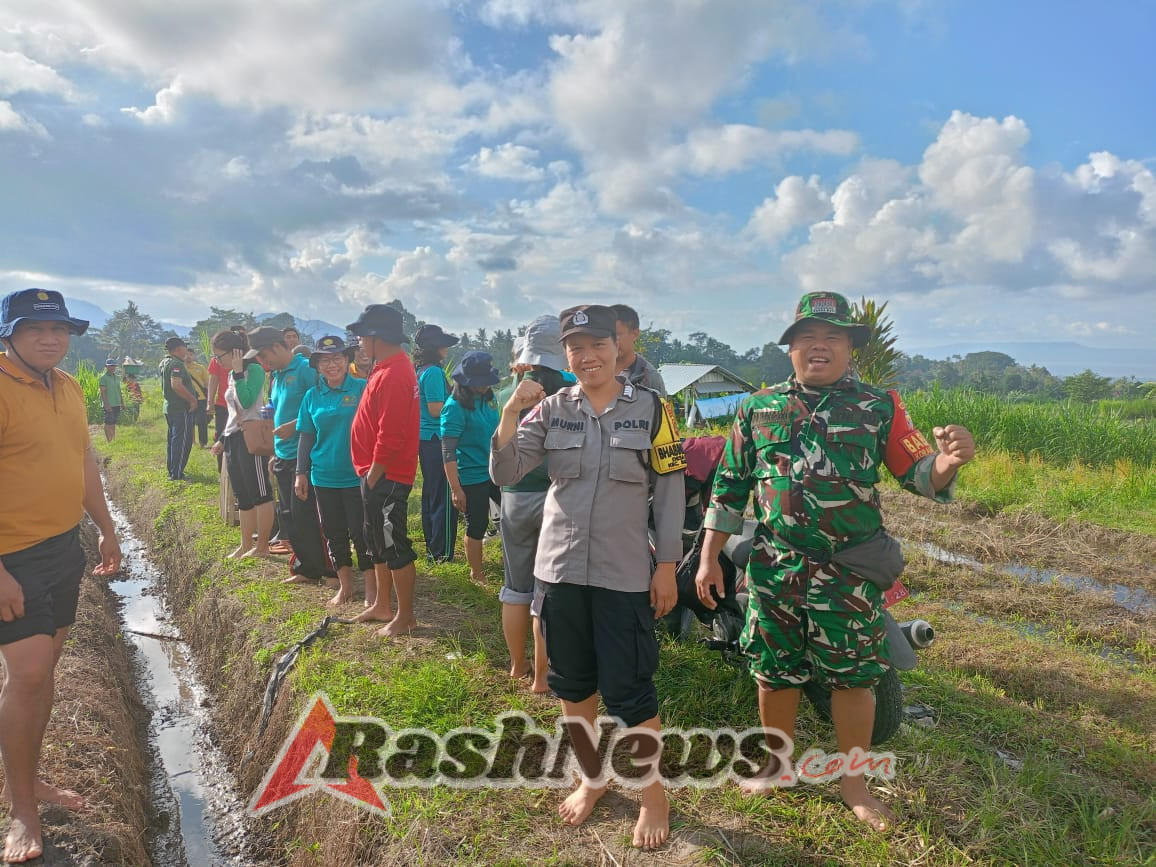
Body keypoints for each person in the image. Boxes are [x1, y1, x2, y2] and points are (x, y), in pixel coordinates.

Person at [695, 291, 976, 831]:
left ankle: (855, 784)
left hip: (846, 571)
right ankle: (778, 766)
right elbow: (729, 489)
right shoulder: (758, 407)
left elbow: (918, 473)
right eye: (807, 338)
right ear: (791, 349)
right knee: (774, 672)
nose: (818, 347)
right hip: (775, 565)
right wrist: (709, 558)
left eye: (832, 338)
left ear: (850, 348)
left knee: (855, 678)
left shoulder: (880, 407)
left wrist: (944, 462)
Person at [491, 304, 685, 850]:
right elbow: (506, 472)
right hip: (558, 570)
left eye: (597, 344)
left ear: (617, 347)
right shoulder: (550, 409)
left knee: (630, 688)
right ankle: (592, 777)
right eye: (574, 348)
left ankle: (652, 795)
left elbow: (670, 493)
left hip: (623, 572)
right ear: (565, 355)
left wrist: (666, 566)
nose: (586, 356)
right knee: (572, 685)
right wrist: (509, 415)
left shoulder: (654, 410)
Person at [0, 288, 122, 864]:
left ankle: (31, 779)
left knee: (45, 671)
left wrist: (106, 526)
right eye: (35, 329)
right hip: (10, 558)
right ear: (9, 333)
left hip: (61, 548)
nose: (50, 338)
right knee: (27, 676)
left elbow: (82, 463)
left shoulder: (68, 386)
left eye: (59, 329)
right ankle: (22, 809)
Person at [495, 316, 570, 693]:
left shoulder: (509, 391)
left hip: (513, 496)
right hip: (555, 497)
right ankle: (543, 678)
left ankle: (516, 665)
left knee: (516, 587)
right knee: (547, 589)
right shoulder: (569, 388)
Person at [347, 305, 421, 637]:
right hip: (373, 473)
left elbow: (391, 433)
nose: (360, 342)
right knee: (375, 539)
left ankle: (405, 616)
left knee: (394, 543)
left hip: (386, 476)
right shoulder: (384, 366)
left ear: (378, 338)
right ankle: (382, 604)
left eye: (363, 336)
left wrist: (374, 474)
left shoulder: (395, 373)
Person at [246, 326, 330, 583]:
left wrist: (295, 425)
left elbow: (323, 403)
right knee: (291, 517)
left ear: (277, 346)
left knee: (310, 515)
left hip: (305, 454)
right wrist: (273, 448)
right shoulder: (278, 375)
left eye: (262, 355)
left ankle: (329, 569)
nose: (262, 362)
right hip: (283, 454)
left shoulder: (305, 369)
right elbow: (276, 407)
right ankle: (306, 567)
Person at [295, 336, 372, 607]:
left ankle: (372, 589)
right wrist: (300, 472)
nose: (332, 364)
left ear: (347, 360)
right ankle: (346, 586)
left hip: (357, 475)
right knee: (334, 532)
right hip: (323, 476)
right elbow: (306, 435)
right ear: (316, 365)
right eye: (325, 360)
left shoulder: (363, 388)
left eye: (337, 358)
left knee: (363, 532)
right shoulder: (312, 396)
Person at [209, 329, 274, 559]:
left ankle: (263, 545)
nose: (218, 361)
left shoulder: (254, 370)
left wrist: (238, 374)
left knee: (260, 491)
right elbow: (232, 412)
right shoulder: (231, 375)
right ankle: (246, 544)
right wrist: (223, 439)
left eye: (220, 356)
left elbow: (246, 402)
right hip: (235, 436)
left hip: (252, 436)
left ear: (236, 352)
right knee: (242, 495)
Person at [440, 351, 500, 582]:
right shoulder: (454, 407)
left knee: (511, 516)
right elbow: (448, 451)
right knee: (477, 523)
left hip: (496, 469)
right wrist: (456, 489)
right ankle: (476, 572)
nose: (484, 386)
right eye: (479, 383)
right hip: (471, 474)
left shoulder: (489, 399)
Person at [414, 324, 460, 562]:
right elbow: (435, 409)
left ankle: (434, 548)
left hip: (426, 440)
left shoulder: (420, 370)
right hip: (436, 439)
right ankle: (441, 552)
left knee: (431, 494)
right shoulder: (432, 373)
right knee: (443, 495)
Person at [159, 336, 197, 481]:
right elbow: (176, 385)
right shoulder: (176, 364)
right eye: (184, 348)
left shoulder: (164, 362)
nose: (186, 351)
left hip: (170, 408)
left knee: (173, 441)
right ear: (178, 349)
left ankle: (173, 470)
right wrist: (192, 400)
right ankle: (177, 474)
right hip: (181, 408)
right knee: (182, 442)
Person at [611, 304, 666, 395]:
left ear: (635, 334)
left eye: (616, 335)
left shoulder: (649, 378)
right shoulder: (594, 371)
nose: (611, 340)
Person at [184, 348, 210, 448]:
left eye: (191, 354)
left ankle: (203, 443)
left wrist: (209, 396)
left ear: (194, 356)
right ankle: (191, 442)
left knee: (202, 421)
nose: (189, 356)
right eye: (187, 354)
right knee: (188, 421)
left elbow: (207, 382)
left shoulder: (200, 367)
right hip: (187, 399)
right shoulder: (181, 367)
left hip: (201, 398)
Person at [97, 358, 123, 442]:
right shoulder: (103, 378)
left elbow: (119, 391)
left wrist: (122, 402)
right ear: (106, 367)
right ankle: (109, 440)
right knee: (108, 423)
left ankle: (113, 440)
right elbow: (103, 392)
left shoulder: (117, 377)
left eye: (113, 366)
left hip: (116, 403)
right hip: (109, 404)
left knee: (113, 423)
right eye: (110, 366)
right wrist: (106, 404)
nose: (112, 368)